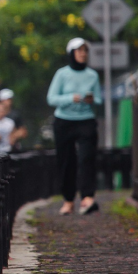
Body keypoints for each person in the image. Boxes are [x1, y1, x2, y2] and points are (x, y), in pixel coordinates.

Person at [47, 37, 102, 215]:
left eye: (85, 51)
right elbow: (52, 98)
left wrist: (91, 99)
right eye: (79, 51)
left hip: (86, 119)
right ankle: (68, 200)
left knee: (87, 158)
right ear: (71, 53)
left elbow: (100, 99)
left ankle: (87, 198)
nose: (83, 54)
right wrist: (71, 97)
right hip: (64, 121)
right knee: (66, 161)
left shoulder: (92, 75)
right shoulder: (62, 74)